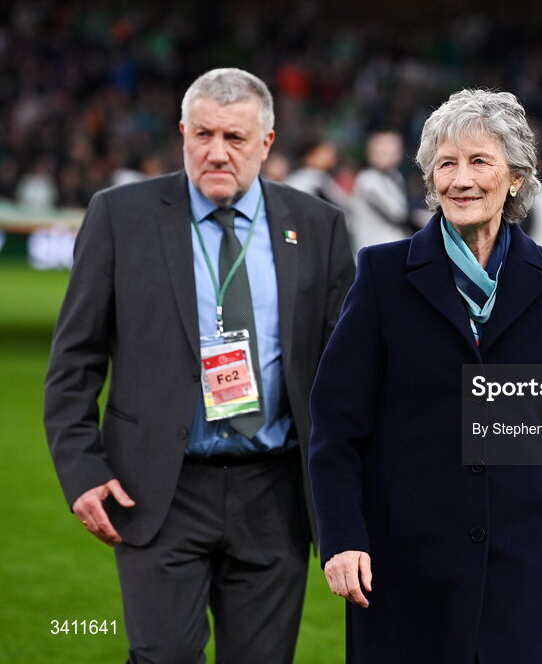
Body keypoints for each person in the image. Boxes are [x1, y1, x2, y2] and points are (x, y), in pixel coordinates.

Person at [44, 67, 355, 663]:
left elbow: (343, 374)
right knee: (163, 657)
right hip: (157, 487)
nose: (216, 153)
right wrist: (81, 468)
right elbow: (73, 361)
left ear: (265, 143)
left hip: (276, 492)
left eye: (235, 139)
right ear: (183, 133)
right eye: (203, 135)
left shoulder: (317, 226)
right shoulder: (119, 215)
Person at [308, 89, 542, 664]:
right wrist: (342, 539)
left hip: (519, 567)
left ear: (515, 177)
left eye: (480, 161)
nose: (461, 179)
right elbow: (335, 426)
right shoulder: (384, 274)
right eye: (446, 164)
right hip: (401, 569)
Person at [348, 129, 412, 251]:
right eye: (384, 151)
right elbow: (398, 213)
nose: (392, 154)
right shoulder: (368, 179)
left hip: (396, 247)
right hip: (374, 250)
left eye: (395, 150)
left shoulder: (395, 176)